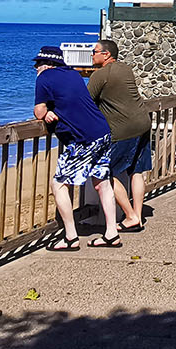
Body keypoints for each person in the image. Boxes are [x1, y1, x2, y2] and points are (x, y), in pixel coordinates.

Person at [31, 45, 122, 251]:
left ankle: (71, 237)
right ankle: (111, 233)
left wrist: (45, 113)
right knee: (102, 183)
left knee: (59, 184)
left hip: (82, 139)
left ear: (48, 64)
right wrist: (50, 111)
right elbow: (69, 100)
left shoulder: (44, 78)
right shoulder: (73, 75)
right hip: (102, 132)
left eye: (38, 64)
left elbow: (38, 111)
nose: (36, 68)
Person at [87, 39, 149, 233]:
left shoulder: (101, 75)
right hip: (143, 122)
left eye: (95, 51)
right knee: (136, 171)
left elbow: (86, 103)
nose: (92, 54)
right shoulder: (125, 69)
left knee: (104, 172)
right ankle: (138, 216)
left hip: (123, 129)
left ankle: (130, 216)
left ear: (106, 54)